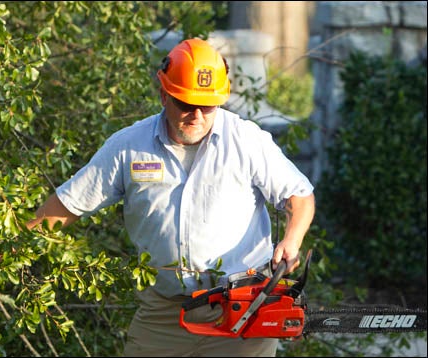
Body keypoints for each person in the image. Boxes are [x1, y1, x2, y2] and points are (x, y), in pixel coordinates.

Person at [26, 38, 315, 357]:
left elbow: (299, 196)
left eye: (206, 106)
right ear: (164, 95)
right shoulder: (128, 147)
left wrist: (292, 239)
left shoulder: (247, 142)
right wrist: (11, 246)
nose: (196, 115)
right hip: (163, 314)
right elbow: (69, 204)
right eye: (185, 103)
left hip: (242, 310)